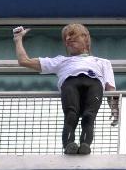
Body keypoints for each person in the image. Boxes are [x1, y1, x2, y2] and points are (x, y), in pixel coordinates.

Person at [13, 23, 118, 155]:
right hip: (70, 83)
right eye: (66, 37)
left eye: (72, 35)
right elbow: (24, 61)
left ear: (85, 37)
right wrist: (18, 39)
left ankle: (85, 145)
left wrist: (114, 108)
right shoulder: (61, 61)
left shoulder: (102, 62)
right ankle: (69, 144)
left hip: (94, 84)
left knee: (89, 115)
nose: (68, 38)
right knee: (71, 114)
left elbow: (110, 88)